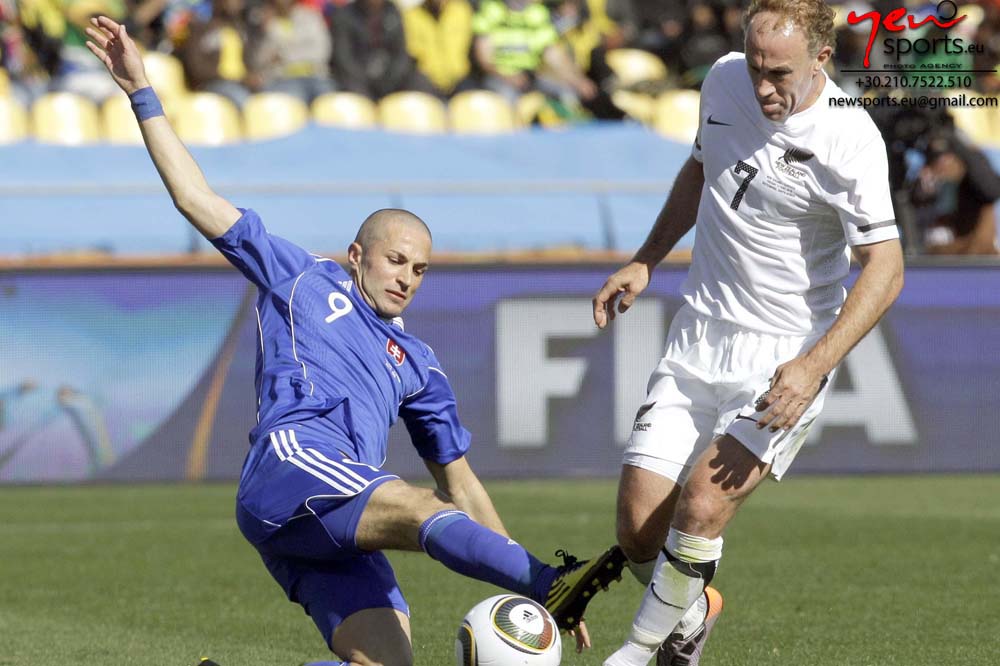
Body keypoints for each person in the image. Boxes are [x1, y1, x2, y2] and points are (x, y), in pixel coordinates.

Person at [85, 15, 626, 666]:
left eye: (420, 269)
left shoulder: (420, 365)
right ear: (355, 255)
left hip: (338, 518)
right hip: (293, 471)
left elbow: (462, 487)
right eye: (395, 260)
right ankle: (548, 577)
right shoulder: (302, 277)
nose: (407, 277)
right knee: (415, 505)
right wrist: (141, 92)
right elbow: (194, 197)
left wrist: (526, 587)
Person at [591, 1, 905, 664]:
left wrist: (813, 366)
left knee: (702, 506)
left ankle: (637, 653)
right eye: (757, 66)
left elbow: (886, 267)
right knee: (639, 532)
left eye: (779, 73)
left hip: (783, 356)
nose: (763, 85)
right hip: (698, 334)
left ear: (821, 59)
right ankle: (691, 608)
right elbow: (700, 169)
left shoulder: (850, 136)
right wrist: (646, 259)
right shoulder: (724, 78)